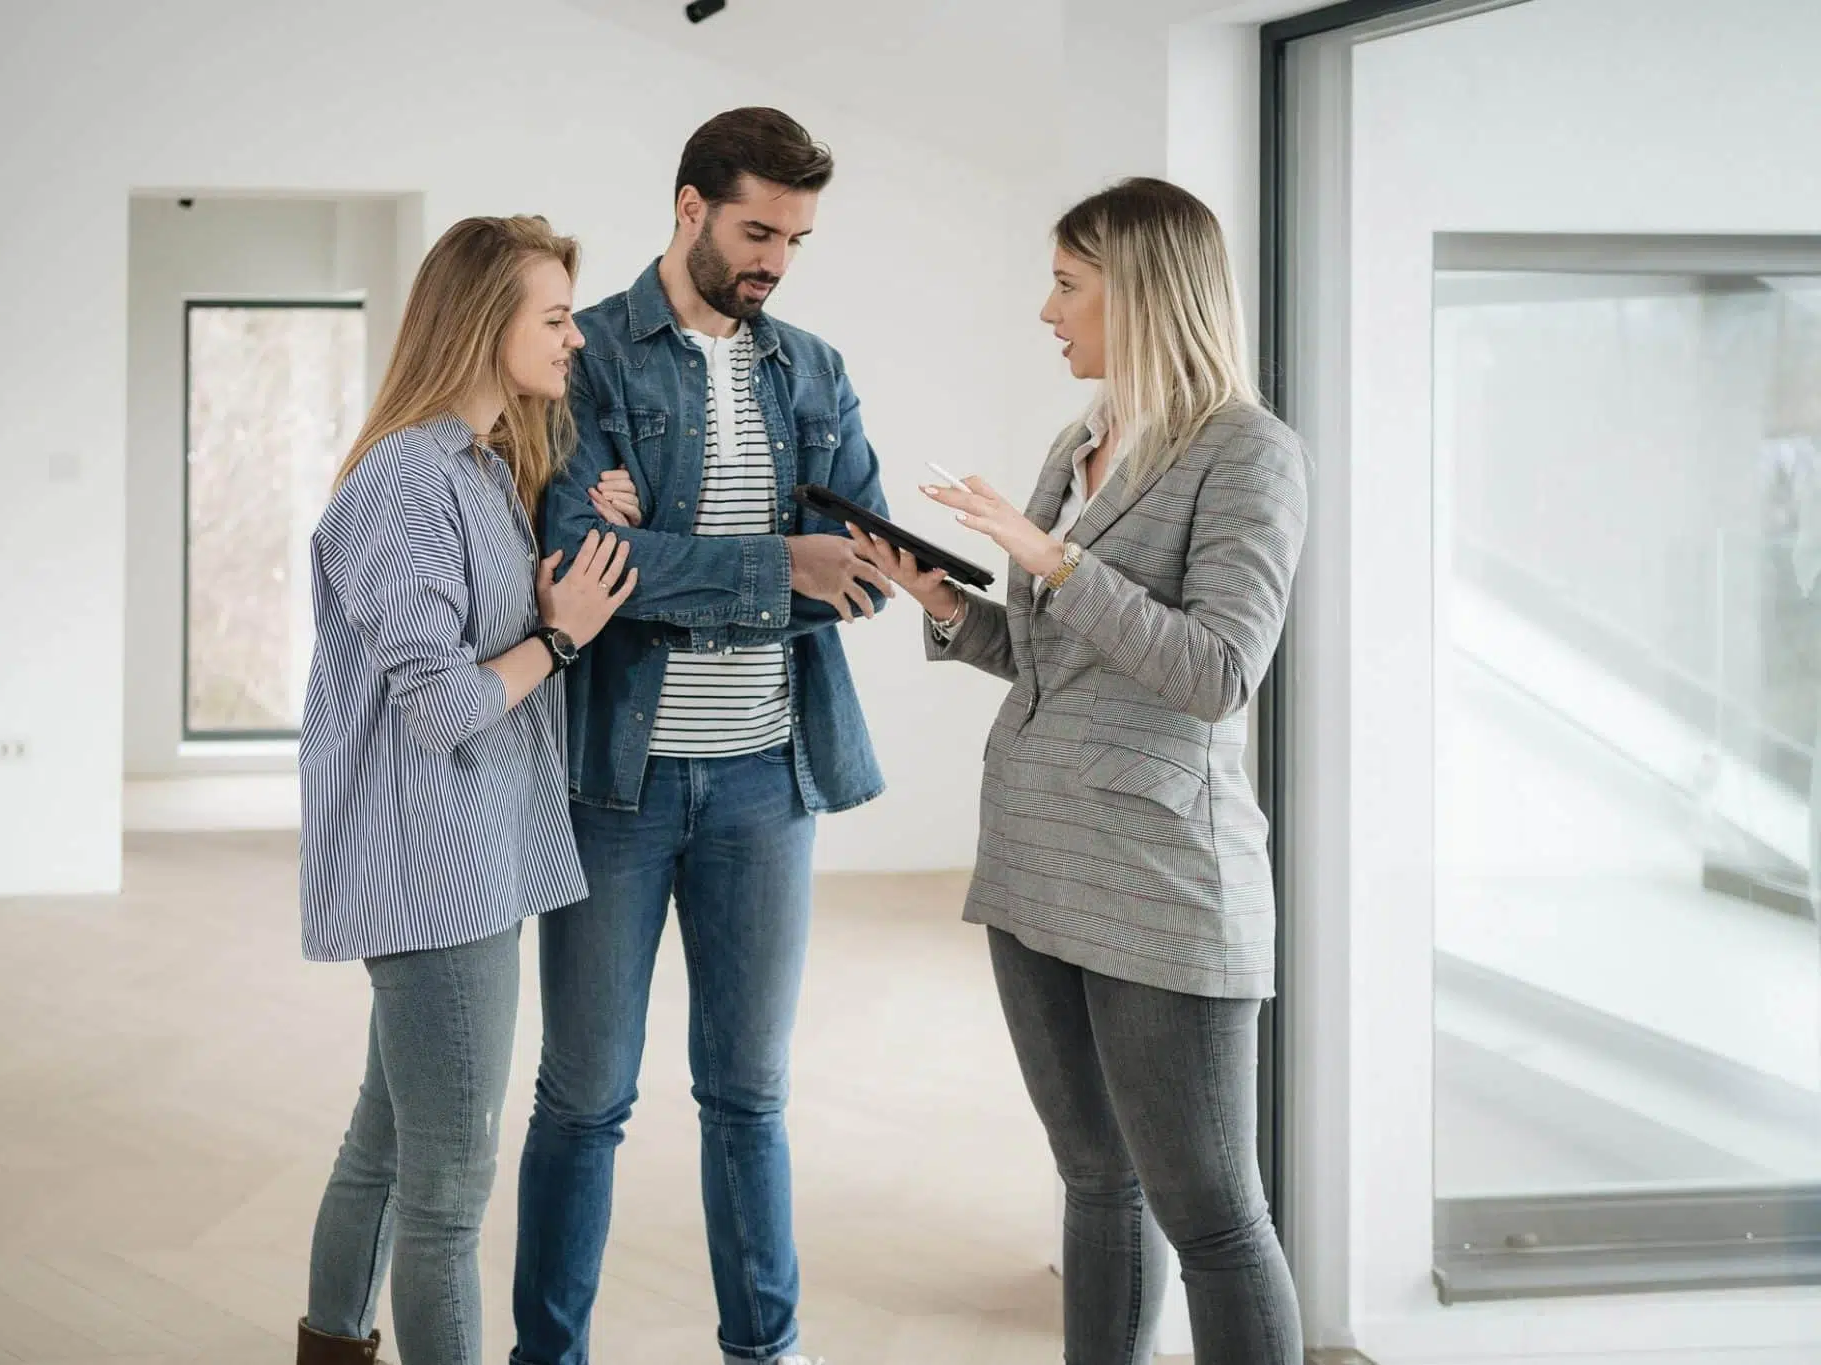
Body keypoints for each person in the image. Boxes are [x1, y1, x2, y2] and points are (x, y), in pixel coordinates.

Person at [851, 177, 1309, 1365]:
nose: (1044, 310)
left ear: (1143, 296)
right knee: (1092, 1182)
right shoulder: (1078, 440)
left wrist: (1052, 558)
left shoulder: (1248, 454)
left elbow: (1215, 672)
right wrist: (945, 601)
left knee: (1211, 1216)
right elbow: (1056, 661)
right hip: (1035, 861)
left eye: (1066, 284)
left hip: (1161, 882)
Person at [511, 107, 894, 1365]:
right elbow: (581, 563)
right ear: (688, 210)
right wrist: (779, 561)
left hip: (765, 784)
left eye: (795, 235)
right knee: (583, 1098)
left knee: (749, 1099)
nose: (776, 257)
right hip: (614, 782)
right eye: (755, 228)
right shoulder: (598, 358)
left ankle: (763, 1353)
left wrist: (681, 561)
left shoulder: (814, 369)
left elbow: (866, 568)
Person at [294, 215, 638, 1365]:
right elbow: (441, 704)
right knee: (448, 1192)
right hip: (435, 878)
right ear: (482, 323)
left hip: (466, 858)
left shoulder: (481, 465)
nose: (574, 337)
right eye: (551, 317)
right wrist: (562, 636)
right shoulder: (405, 481)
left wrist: (575, 557)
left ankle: (331, 1344)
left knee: (387, 1148)